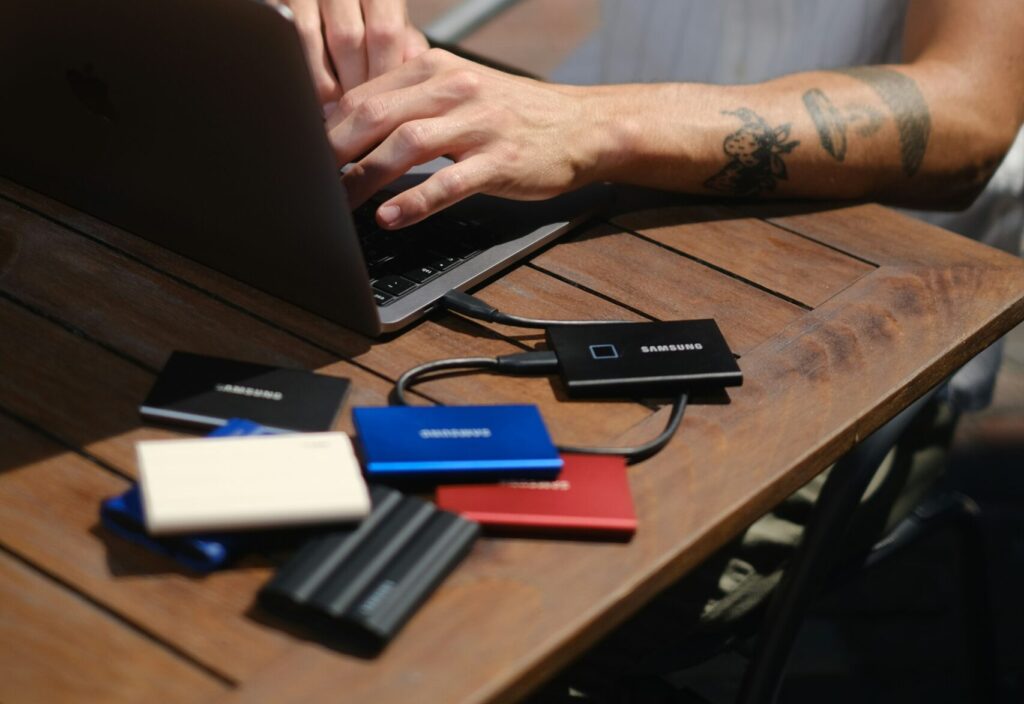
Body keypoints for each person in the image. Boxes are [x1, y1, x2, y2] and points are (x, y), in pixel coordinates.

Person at [283, 0, 1023, 697]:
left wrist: (592, 122)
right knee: (299, 479)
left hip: (854, 322)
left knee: (467, 613)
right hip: (578, 204)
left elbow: (969, 114)